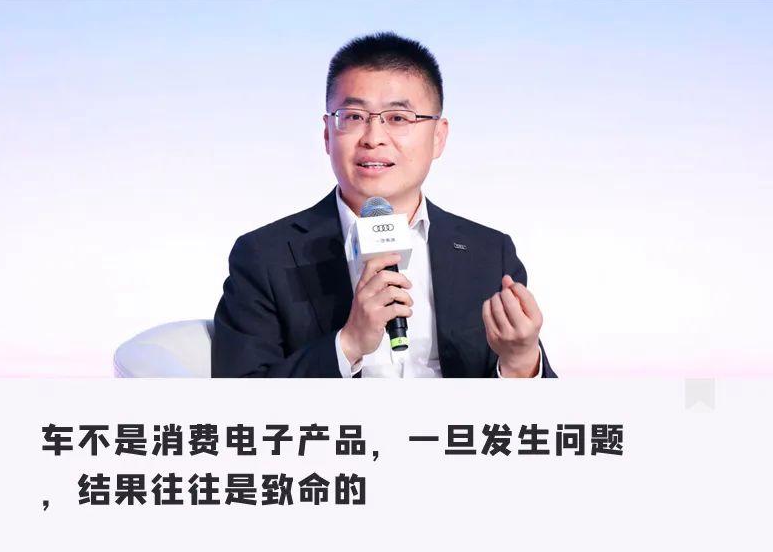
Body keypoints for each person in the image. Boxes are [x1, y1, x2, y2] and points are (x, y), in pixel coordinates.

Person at [212, 32, 555, 378]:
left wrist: (521, 362)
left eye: (398, 118)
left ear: (438, 137)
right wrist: (347, 344)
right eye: (353, 116)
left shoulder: (489, 253)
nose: (373, 138)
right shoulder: (264, 256)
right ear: (328, 135)